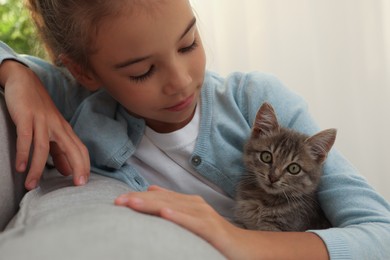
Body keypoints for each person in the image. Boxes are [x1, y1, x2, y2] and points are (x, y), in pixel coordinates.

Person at [0, 0, 389, 259]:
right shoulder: (80, 102)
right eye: (143, 71)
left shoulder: (253, 97)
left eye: (188, 44)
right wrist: (18, 76)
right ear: (84, 72)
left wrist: (239, 240)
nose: (181, 82)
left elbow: (380, 233)